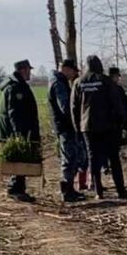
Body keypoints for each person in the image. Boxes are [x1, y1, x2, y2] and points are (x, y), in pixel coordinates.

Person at [71, 55, 127, 199]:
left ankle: (98, 192)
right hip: (108, 126)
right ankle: (120, 190)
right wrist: (123, 122)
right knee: (113, 158)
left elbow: (74, 107)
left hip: (87, 126)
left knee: (94, 159)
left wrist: (77, 128)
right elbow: (116, 103)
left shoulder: (78, 82)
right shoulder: (106, 81)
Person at [0, 59, 40, 203]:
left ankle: (18, 188)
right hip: (14, 130)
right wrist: (19, 134)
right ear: (22, 70)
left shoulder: (16, 85)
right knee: (18, 157)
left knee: (19, 158)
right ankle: (15, 189)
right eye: (28, 70)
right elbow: (15, 113)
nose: (30, 73)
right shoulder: (16, 88)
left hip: (14, 129)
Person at [48, 58, 87, 202]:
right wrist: (77, 115)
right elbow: (65, 107)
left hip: (64, 126)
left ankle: (70, 189)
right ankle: (67, 190)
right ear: (65, 68)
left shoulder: (58, 81)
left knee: (73, 157)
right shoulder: (58, 83)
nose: (73, 75)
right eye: (73, 71)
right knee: (69, 158)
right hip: (65, 126)